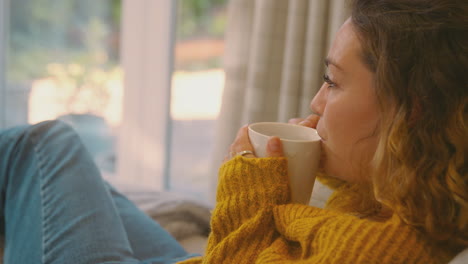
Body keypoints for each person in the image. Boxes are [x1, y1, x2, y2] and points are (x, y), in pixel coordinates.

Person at [0, 0, 466, 264]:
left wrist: (249, 188)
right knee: (88, 190)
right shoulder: (413, 207)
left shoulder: (370, 252)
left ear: (411, 112)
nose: (315, 103)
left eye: (333, 81)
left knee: (42, 146)